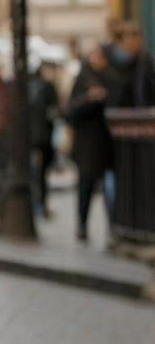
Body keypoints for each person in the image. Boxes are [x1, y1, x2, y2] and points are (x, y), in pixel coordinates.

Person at [65, 40, 115, 242]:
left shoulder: (111, 78)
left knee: (110, 188)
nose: (97, 59)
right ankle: (82, 225)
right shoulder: (83, 79)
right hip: (87, 144)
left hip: (109, 143)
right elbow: (70, 111)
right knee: (86, 186)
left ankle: (114, 227)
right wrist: (89, 98)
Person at [27, 60, 61, 218]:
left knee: (35, 172)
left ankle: (36, 204)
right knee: (41, 174)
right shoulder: (47, 87)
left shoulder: (28, 86)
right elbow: (53, 112)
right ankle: (40, 205)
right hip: (43, 138)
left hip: (31, 138)